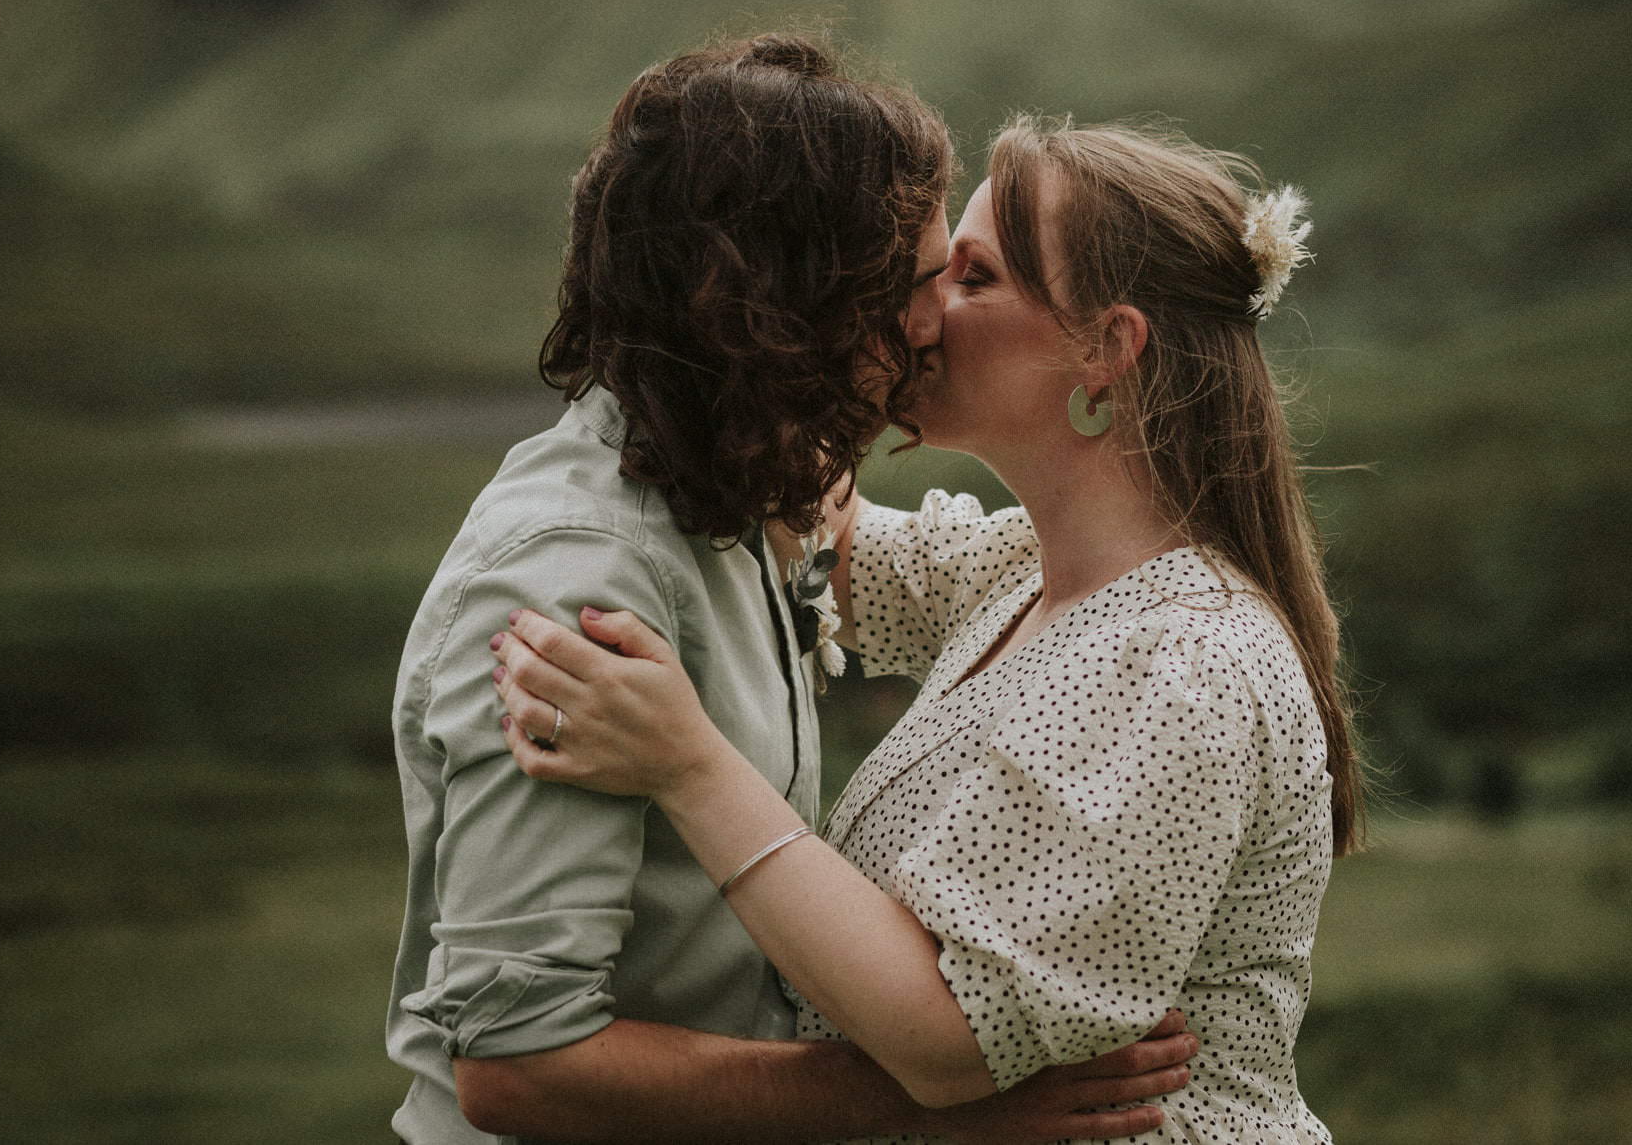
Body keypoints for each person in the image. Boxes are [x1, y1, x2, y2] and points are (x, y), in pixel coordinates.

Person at [492, 116, 1365, 1142]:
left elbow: (948, 1035)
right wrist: (806, 330)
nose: (921, 316)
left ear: (1106, 346)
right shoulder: (1025, 575)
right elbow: (828, 526)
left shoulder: (1180, 663)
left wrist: (683, 763)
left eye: (974, 276)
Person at [388, 40, 1195, 1145]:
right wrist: (921, 1102)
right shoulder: (583, 578)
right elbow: (518, 1066)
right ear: (784, 303)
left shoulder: (734, 484)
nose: (931, 329)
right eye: (918, 282)